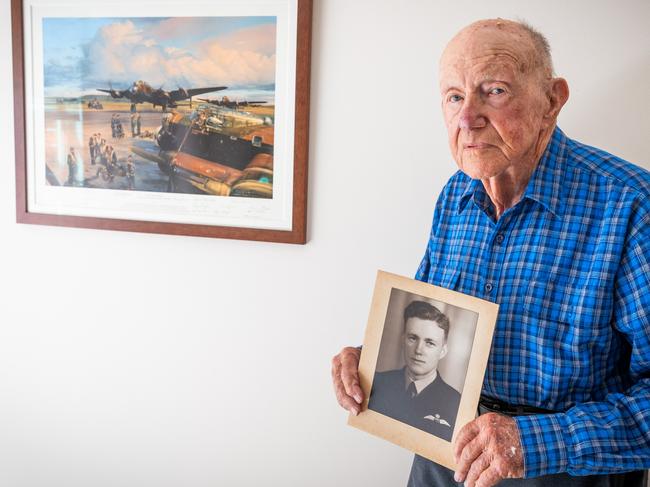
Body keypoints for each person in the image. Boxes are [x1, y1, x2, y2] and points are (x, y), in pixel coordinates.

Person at [331, 18, 650, 487]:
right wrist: (372, 364)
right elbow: (431, 324)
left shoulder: (629, 205)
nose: (467, 118)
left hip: (565, 470)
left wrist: (537, 442)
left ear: (552, 100)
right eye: (454, 96)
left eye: (494, 91)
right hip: (443, 452)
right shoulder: (454, 196)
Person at [368, 300, 460, 442]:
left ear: (443, 351)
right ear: (403, 339)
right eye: (412, 338)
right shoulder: (377, 381)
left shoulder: (456, 402)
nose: (418, 350)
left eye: (429, 343)